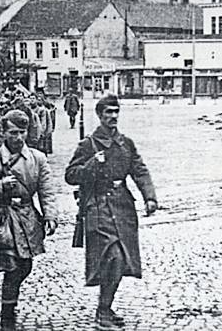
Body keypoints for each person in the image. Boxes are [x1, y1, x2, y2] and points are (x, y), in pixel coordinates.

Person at [65, 94, 158, 329]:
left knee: (122, 259)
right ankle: (103, 310)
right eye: (108, 112)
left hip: (122, 208)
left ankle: (104, 308)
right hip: (97, 207)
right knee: (113, 257)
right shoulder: (89, 144)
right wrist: (92, 164)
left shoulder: (126, 143)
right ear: (99, 115)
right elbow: (70, 175)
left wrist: (150, 197)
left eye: (116, 112)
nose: (113, 116)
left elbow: (139, 170)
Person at [0, 109, 58, 331]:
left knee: (25, 266)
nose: (18, 137)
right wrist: (0, 186)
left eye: (22, 132)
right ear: (3, 133)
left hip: (28, 218)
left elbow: (46, 189)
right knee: (12, 267)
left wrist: (50, 215)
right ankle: (7, 317)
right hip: (3, 220)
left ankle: (10, 306)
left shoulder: (37, 159)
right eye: (12, 132)